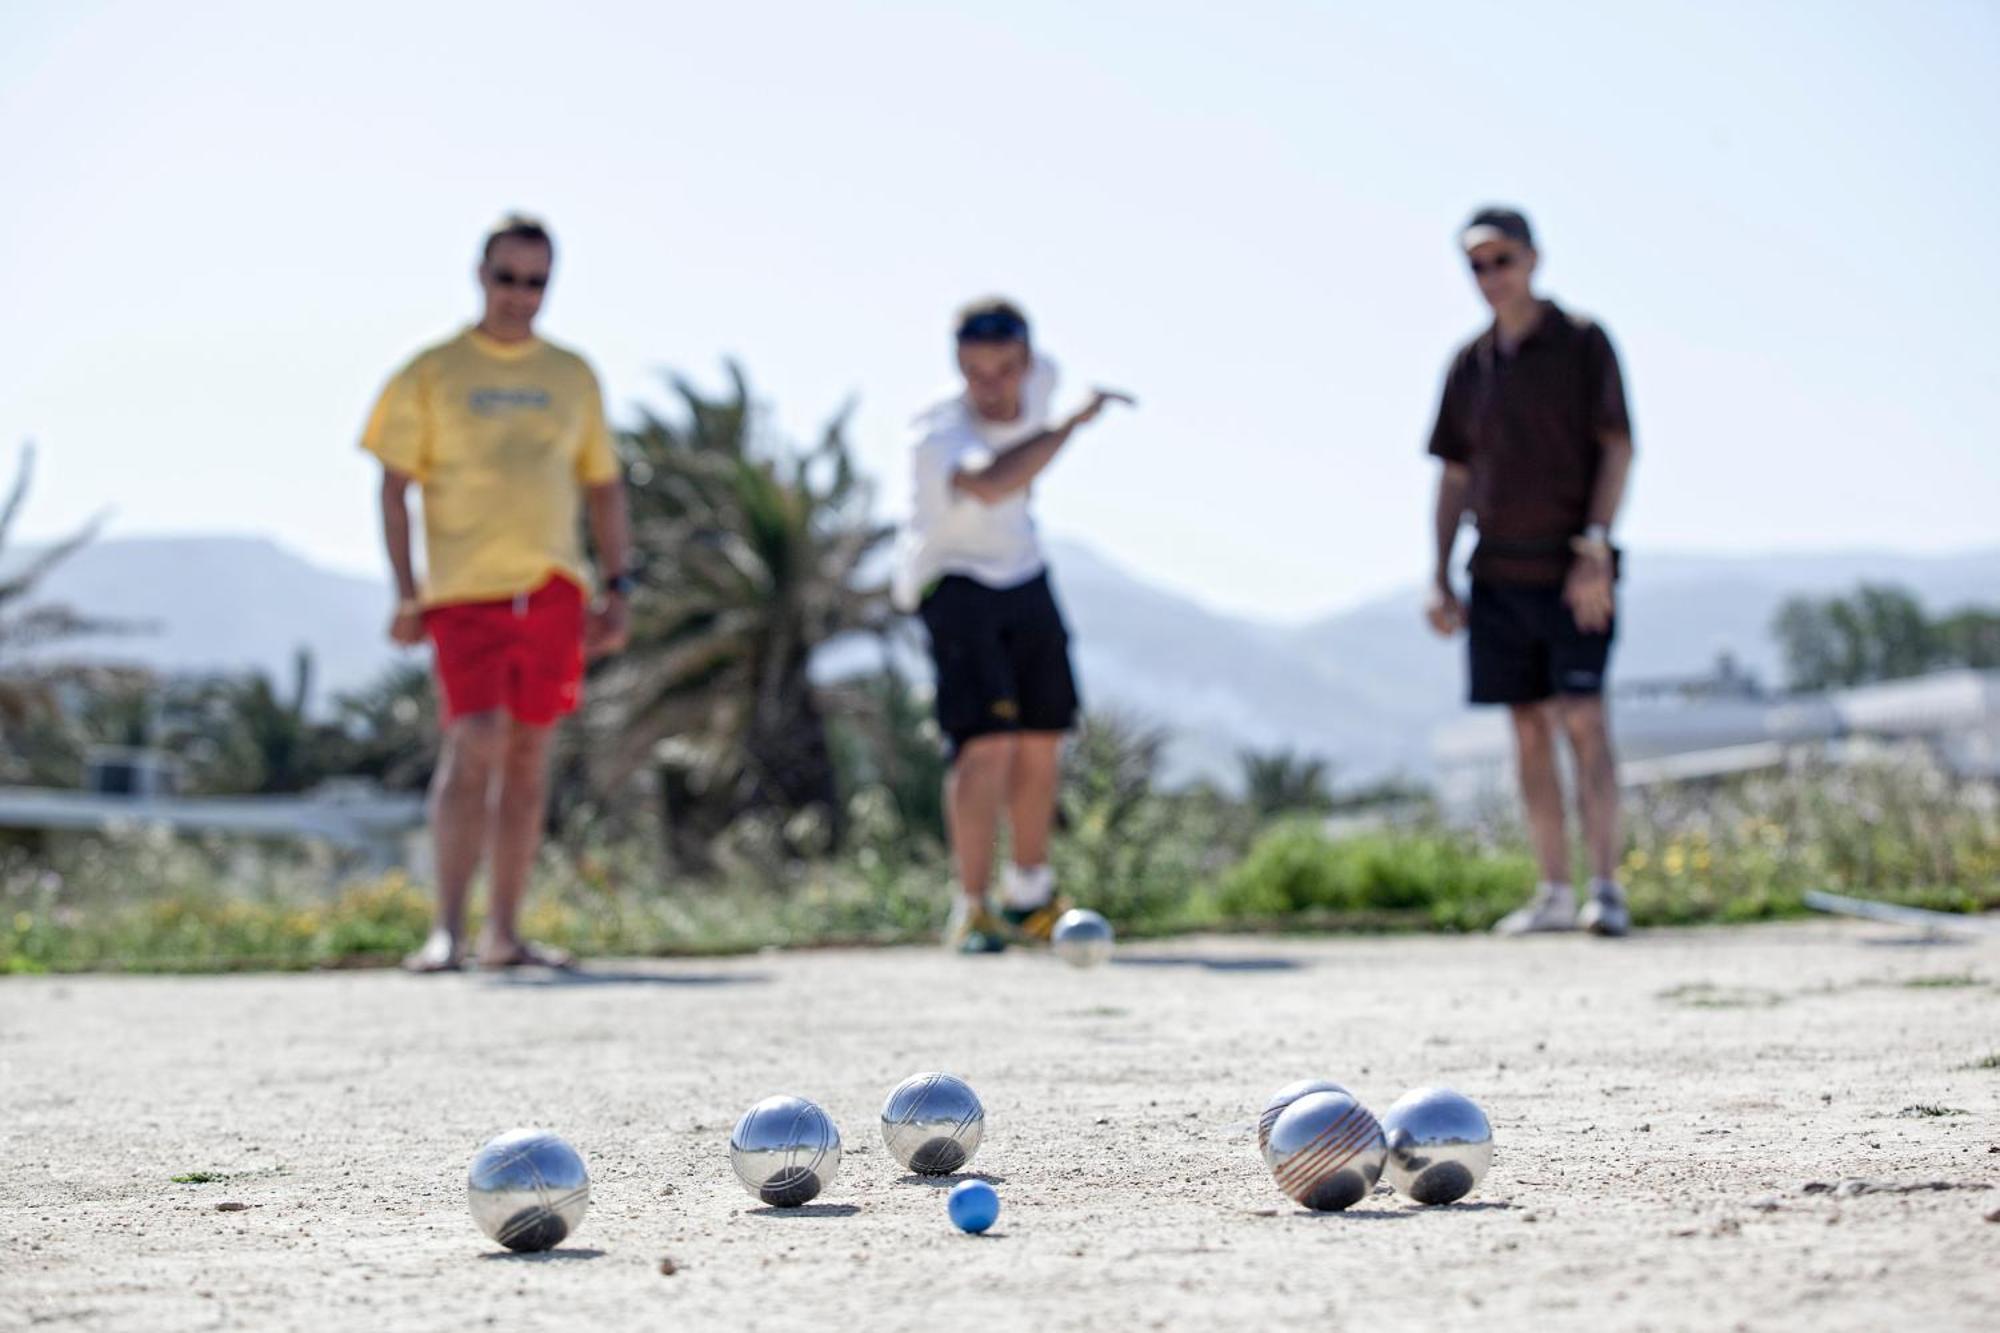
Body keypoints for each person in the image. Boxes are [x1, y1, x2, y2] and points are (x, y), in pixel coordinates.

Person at [362, 213, 634, 971]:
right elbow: (393, 488)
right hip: (462, 593)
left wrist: (618, 586)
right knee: (475, 736)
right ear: (480, 275)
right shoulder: (432, 371)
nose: (520, 295)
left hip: (552, 590)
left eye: (536, 282)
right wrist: (406, 591)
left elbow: (605, 487)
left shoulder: (572, 375)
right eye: (507, 278)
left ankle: (504, 933)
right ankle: (446, 927)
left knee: (528, 752)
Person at [895, 298, 1133, 953]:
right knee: (985, 744)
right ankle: (971, 907)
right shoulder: (937, 431)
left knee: (1041, 735)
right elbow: (995, 483)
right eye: (974, 371)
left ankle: (1028, 894)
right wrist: (1073, 425)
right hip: (953, 579)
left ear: (1027, 361)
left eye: (1004, 369)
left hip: (1024, 571)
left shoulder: (1043, 378)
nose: (991, 386)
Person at [1424, 207, 1637, 937]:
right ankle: (1551, 890)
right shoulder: (1469, 362)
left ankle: (1605, 888)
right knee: (1525, 727)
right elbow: (1453, 473)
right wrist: (1439, 571)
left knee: (1583, 717)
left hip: (1573, 566)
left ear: (1533, 258)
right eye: (1476, 265)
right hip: (1496, 569)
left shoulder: (1581, 343)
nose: (1489, 277)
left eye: (1501, 260)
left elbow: (1617, 445)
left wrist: (1595, 545)